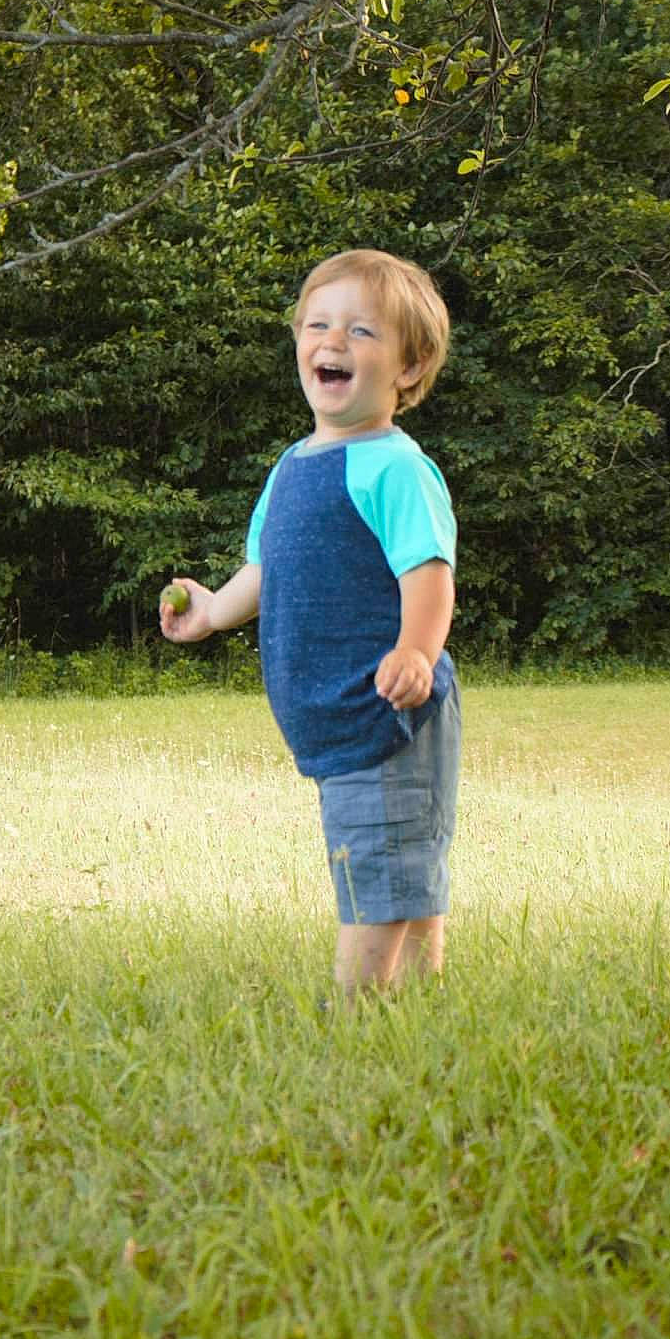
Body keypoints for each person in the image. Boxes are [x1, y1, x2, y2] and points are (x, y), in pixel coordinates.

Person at [159, 248, 459, 997]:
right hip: (335, 707)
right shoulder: (293, 465)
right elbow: (268, 568)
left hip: (384, 701)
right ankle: (424, 1000)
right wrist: (212, 613)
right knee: (396, 854)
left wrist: (416, 653)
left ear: (410, 368)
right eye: (318, 325)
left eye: (361, 332)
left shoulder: (396, 467)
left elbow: (429, 570)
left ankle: (359, 1013)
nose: (333, 342)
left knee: (377, 857)